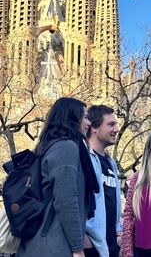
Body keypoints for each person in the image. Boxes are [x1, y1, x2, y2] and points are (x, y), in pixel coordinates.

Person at [17, 97, 99, 257]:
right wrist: (77, 248)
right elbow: (66, 200)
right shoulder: (66, 148)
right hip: (53, 246)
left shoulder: (48, 146)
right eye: (85, 117)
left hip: (41, 243)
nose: (89, 123)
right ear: (72, 118)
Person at [85, 105, 122, 257]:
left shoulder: (111, 163)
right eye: (111, 124)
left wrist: (118, 233)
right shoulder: (83, 158)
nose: (117, 129)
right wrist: (81, 236)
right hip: (89, 247)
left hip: (110, 246)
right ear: (94, 127)